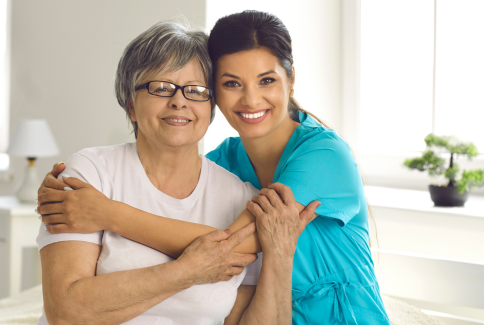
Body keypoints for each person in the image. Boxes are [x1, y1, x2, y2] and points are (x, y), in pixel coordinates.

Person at [39, 11, 389, 324]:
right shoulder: (225, 164)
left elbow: (233, 249)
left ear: (291, 79)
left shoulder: (323, 155)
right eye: (232, 83)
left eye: (266, 80)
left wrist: (108, 213)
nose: (251, 99)